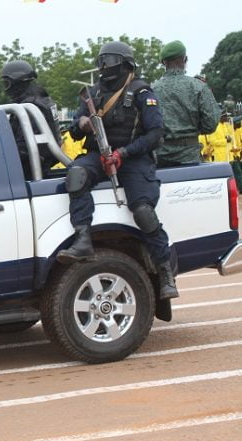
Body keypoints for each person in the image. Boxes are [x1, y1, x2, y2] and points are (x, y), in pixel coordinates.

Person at [57, 41, 178, 300]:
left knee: (143, 211)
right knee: (76, 175)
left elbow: (156, 133)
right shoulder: (93, 92)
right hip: (99, 155)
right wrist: (83, 122)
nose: (104, 67)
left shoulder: (142, 91)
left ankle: (165, 270)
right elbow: (74, 130)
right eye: (101, 61)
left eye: (109, 61)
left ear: (125, 64)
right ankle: (83, 239)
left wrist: (123, 153)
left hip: (132, 157)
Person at [152, 41, 219, 167]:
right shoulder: (198, 86)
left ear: (163, 63)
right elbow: (211, 124)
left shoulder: (152, 90)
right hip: (190, 155)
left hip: (160, 157)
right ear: (185, 59)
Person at [1, 59, 62, 176]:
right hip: (39, 165)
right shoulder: (41, 100)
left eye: (7, 83)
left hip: (30, 168)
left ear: (17, 82)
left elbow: (24, 147)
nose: (6, 88)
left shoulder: (30, 107)